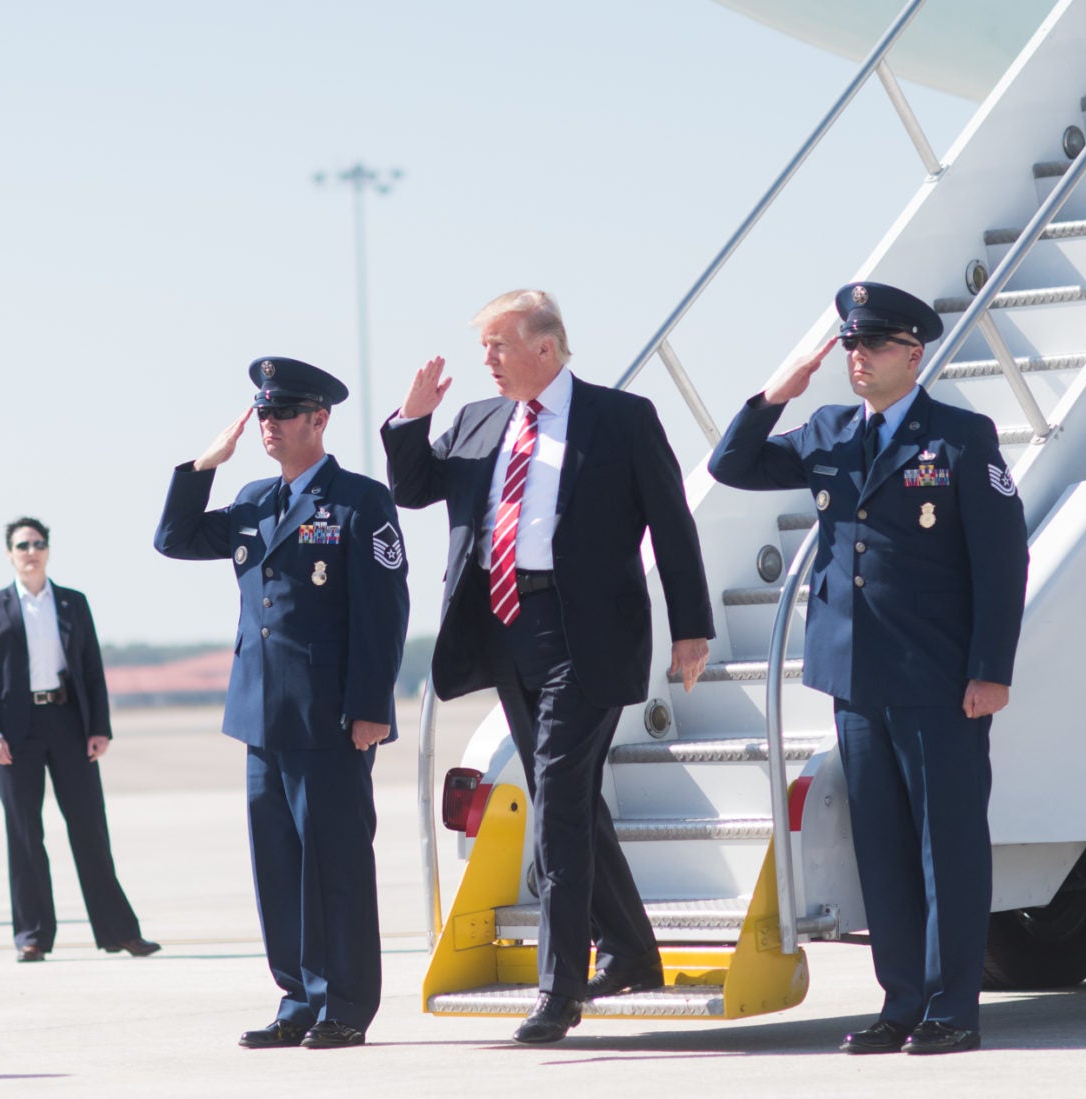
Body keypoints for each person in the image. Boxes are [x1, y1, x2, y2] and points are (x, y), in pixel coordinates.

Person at [381, 290, 714, 1045]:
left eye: (498, 345)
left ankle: (559, 987)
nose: (487, 362)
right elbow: (414, 489)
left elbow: (671, 522)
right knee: (567, 798)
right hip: (506, 631)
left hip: (587, 636)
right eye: (484, 349)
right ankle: (631, 950)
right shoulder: (476, 420)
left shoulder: (620, 419)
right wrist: (411, 420)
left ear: (546, 346)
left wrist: (691, 629)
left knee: (559, 799)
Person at [708, 281, 1027, 1056]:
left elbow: (1000, 560)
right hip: (855, 678)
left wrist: (990, 668)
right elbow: (732, 464)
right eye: (851, 344)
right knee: (880, 846)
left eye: (875, 345)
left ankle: (954, 1007)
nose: (858, 357)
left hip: (939, 676)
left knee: (945, 844)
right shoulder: (825, 432)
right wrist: (776, 392)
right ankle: (902, 1002)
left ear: (913, 355)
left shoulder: (959, 436)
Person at [155, 357, 409, 1050]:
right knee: (279, 867)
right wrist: (203, 465)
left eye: (282, 412)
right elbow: (173, 539)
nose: (267, 423)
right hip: (261, 716)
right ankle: (298, 996)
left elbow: (383, 613)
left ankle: (346, 1002)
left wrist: (371, 705)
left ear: (319, 419)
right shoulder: (253, 499)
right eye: (262, 413)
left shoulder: (360, 501)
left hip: (330, 716)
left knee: (337, 863)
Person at [0, 517, 160, 963]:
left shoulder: (73, 603)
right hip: (14, 734)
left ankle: (119, 931)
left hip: (68, 723)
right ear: (9, 554)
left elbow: (92, 669)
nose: (30, 551)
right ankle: (33, 935)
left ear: (48, 550)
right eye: (21, 545)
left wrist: (100, 728)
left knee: (90, 830)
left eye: (37, 543)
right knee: (25, 835)